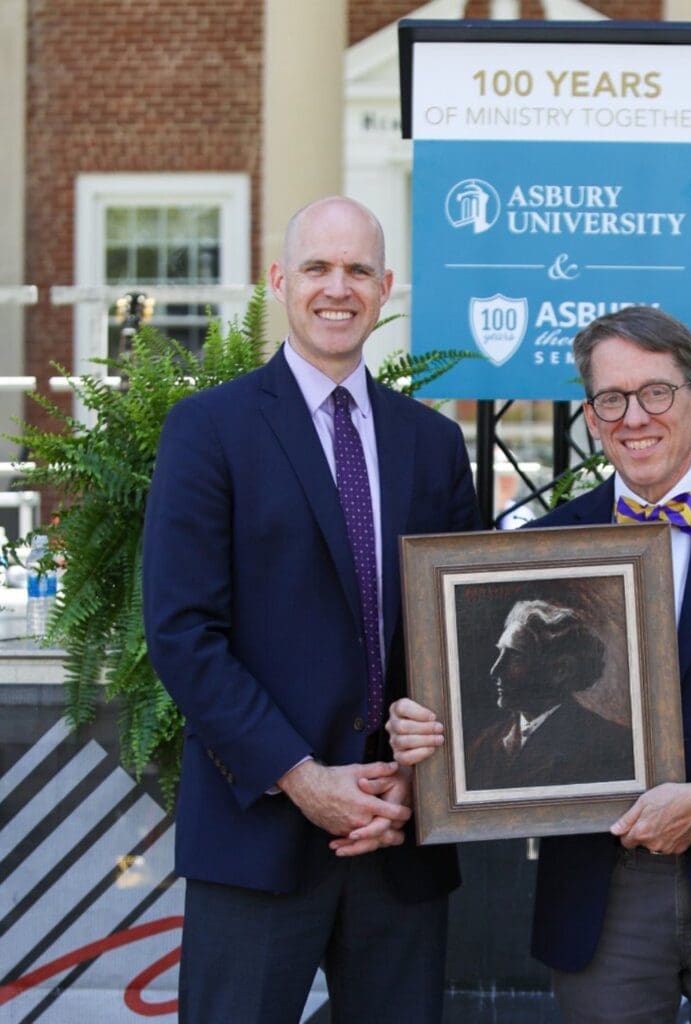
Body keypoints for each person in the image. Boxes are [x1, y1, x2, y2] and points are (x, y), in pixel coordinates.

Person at [388, 306, 691, 1023]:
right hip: (600, 894)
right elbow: (473, 713)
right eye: (611, 398)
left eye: (654, 392)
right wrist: (423, 729)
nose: (633, 416)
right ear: (590, 415)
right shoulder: (540, 550)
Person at [142, 196, 479, 1023]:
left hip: (399, 836)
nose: (339, 287)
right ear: (280, 281)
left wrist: (411, 776)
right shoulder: (208, 430)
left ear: (386, 286)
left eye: (358, 269)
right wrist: (302, 778)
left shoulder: (432, 444)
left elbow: (461, 631)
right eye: (319, 268)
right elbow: (184, 634)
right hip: (260, 832)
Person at [464, 599, 634, 791]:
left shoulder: (611, 745)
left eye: (515, 657)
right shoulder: (483, 746)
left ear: (560, 670)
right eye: (500, 653)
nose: (496, 670)